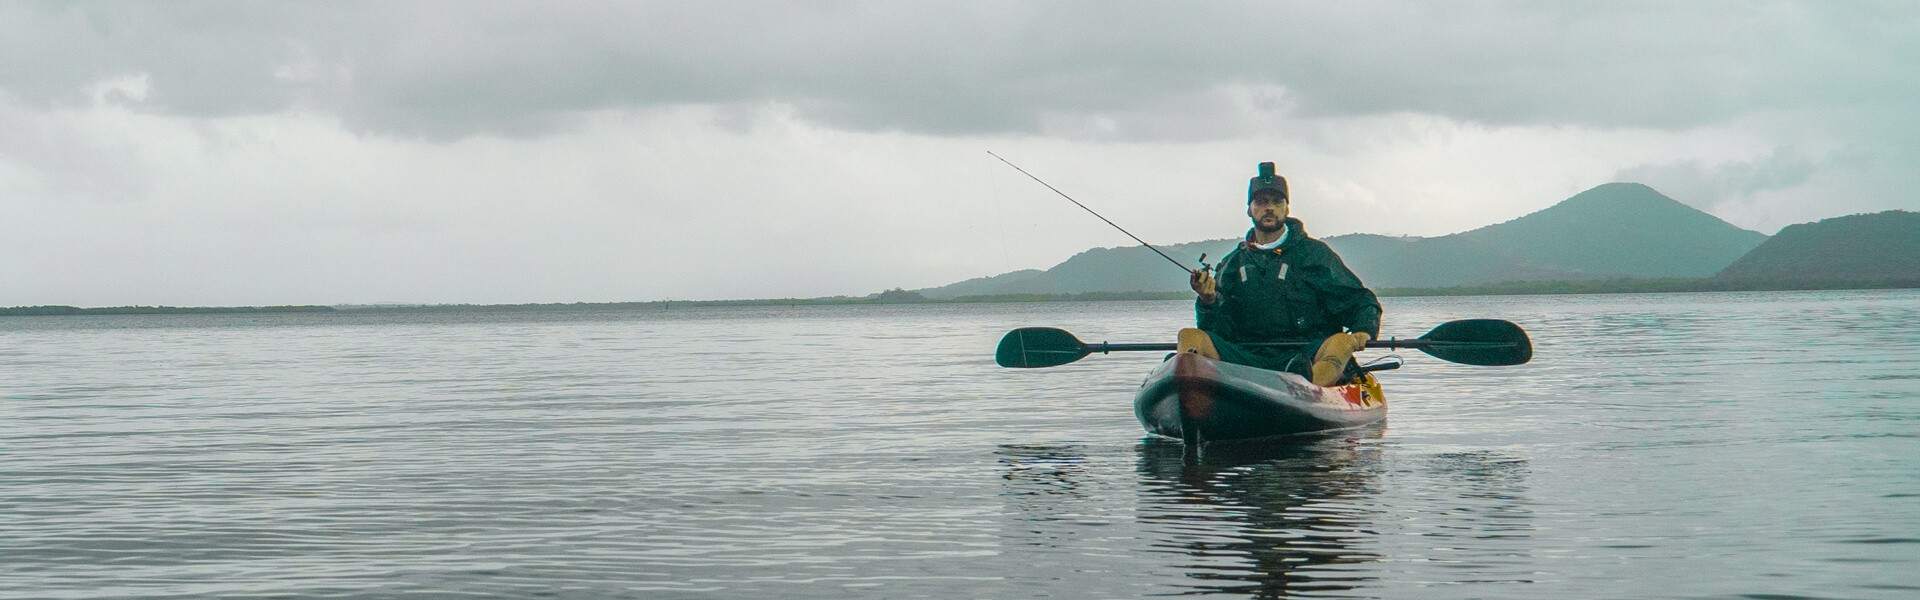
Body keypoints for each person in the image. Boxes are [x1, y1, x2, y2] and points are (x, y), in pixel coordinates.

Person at [1178, 162, 1382, 387]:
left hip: (1305, 354)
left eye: (1277, 202)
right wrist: (1208, 301)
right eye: (1261, 202)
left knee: (1341, 342)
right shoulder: (1232, 264)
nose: (1269, 208)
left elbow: (1360, 300)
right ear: (1249, 209)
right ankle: (1195, 396)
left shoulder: (1315, 254)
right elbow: (1216, 330)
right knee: (1190, 337)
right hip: (1245, 356)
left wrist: (1365, 329)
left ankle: (1309, 390)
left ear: (1286, 208)